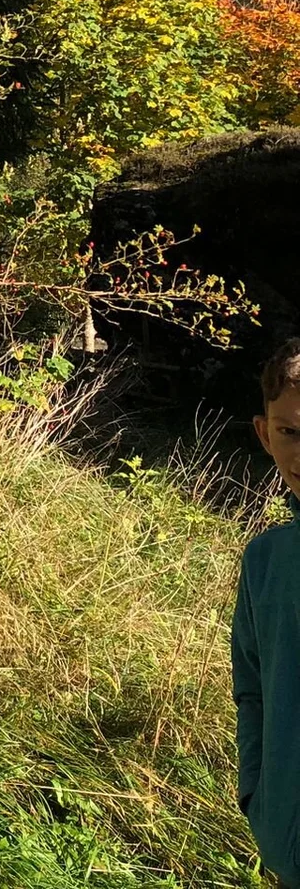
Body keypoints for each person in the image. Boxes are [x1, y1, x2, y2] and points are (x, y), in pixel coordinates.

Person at [235, 339, 300, 889]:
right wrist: (257, 797)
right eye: (290, 433)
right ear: (264, 433)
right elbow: (251, 688)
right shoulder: (265, 559)